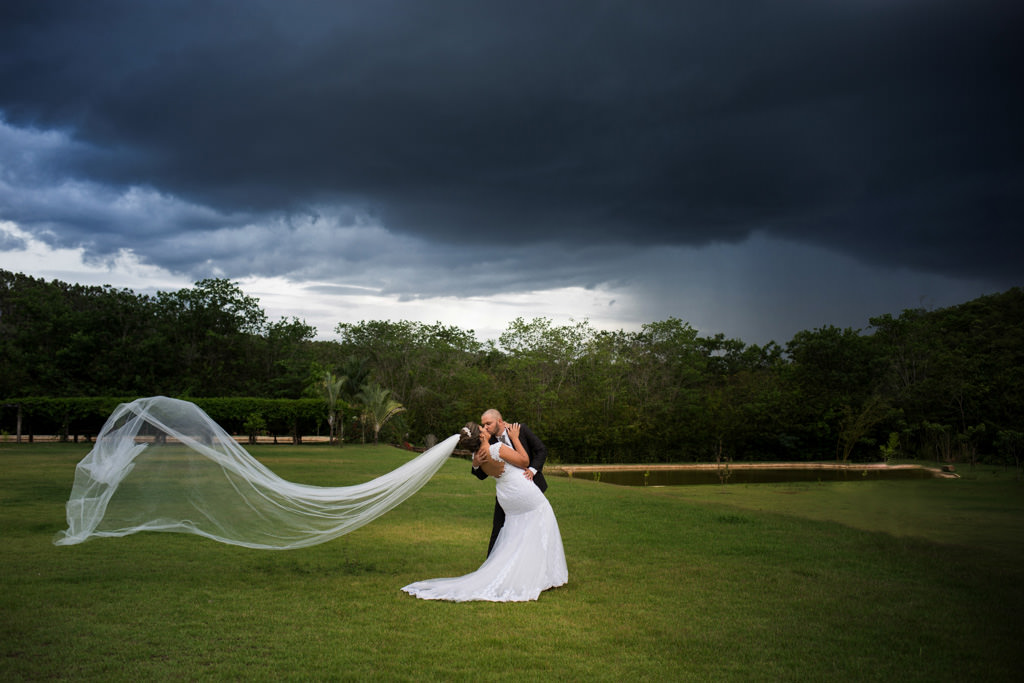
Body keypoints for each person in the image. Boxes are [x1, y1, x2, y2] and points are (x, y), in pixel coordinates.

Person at [401, 421, 567, 602]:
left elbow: (482, 468)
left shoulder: (478, 457)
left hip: (507, 496)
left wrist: (475, 463)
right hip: (521, 492)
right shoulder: (497, 449)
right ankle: (543, 575)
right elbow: (525, 461)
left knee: (518, 531)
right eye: (483, 429)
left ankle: (530, 572)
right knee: (542, 517)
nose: (486, 429)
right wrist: (514, 439)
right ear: (480, 436)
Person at [472, 408, 548, 555]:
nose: (485, 427)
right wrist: (476, 464)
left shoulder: (520, 430)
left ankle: (529, 561)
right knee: (498, 528)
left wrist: (532, 470)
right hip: (506, 494)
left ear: (499, 421)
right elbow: (482, 475)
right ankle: (490, 565)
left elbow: (541, 450)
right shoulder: (488, 441)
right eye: (483, 424)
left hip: (530, 488)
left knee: (532, 528)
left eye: (488, 423)